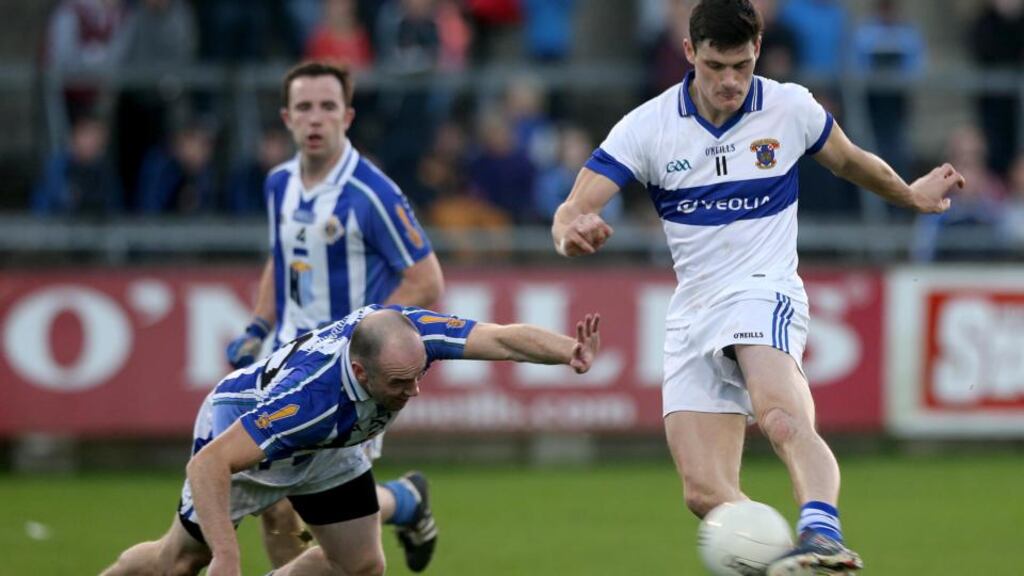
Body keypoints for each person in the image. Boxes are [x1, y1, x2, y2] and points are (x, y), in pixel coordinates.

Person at [550, 1, 965, 574]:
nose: (730, 81)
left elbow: (850, 162)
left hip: (763, 289)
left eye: (742, 66)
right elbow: (573, 206)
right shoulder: (648, 127)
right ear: (690, 53)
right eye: (717, 66)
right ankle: (786, 563)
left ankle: (821, 534)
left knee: (781, 417)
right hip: (693, 308)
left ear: (757, 52)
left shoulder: (789, 107)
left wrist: (910, 196)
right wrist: (570, 231)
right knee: (703, 494)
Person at [102, 305, 601, 576]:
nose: (414, 392)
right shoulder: (307, 402)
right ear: (360, 372)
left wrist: (567, 350)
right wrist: (229, 559)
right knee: (182, 561)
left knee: (361, 565)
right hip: (243, 440)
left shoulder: (411, 335)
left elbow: (501, 338)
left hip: (331, 450)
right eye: (399, 384)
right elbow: (208, 464)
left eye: (417, 376)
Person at [223, 61, 445, 572]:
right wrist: (259, 325)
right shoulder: (279, 182)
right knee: (275, 508)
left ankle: (404, 501)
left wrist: (360, 344)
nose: (315, 118)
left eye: (327, 107)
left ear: (347, 115)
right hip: (284, 365)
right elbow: (281, 257)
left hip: (348, 379)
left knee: (326, 523)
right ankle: (407, 500)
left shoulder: (372, 193)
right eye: (304, 107)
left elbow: (426, 281)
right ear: (287, 117)